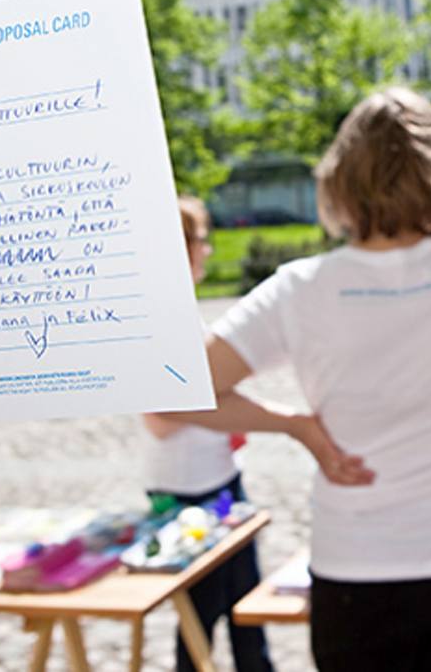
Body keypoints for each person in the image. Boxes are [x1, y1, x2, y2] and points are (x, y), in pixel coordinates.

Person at [166, 88, 431, 672]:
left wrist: (294, 426)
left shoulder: (300, 289)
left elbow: (174, 393)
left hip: (357, 565)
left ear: (338, 181)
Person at [140, 197, 275, 672]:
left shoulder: (182, 311)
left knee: (245, 603)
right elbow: (159, 415)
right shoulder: (159, 318)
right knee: (202, 611)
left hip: (219, 481)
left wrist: (225, 412)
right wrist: (227, 407)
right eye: (201, 240)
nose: (209, 251)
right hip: (185, 491)